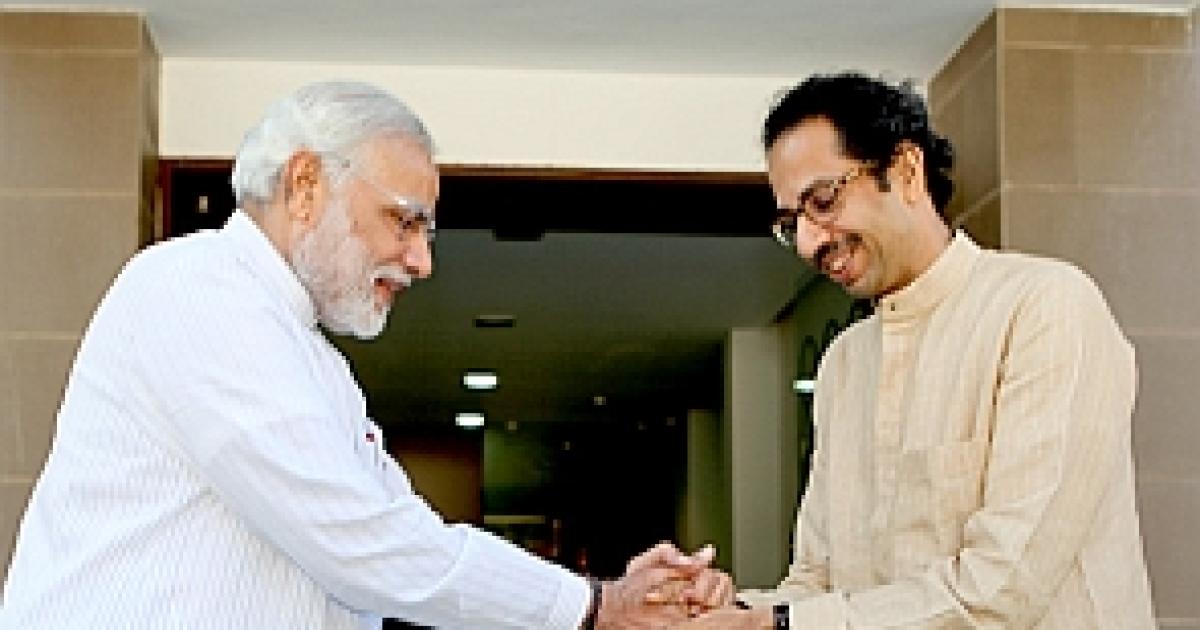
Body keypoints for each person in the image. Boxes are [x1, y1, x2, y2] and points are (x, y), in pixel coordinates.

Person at [0, 81, 731, 629]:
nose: (420, 261)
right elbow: (362, 542)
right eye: (403, 222)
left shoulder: (314, 361)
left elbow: (410, 541)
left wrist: (612, 597)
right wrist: (595, 605)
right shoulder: (198, 289)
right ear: (305, 186)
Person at [677, 73, 1155, 628]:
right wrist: (728, 611)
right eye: (791, 223)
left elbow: (1005, 585)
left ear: (905, 170)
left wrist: (775, 624)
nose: (809, 243)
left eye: (823, 202)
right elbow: (819, 581)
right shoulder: (844, 364)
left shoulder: (1044, 306)